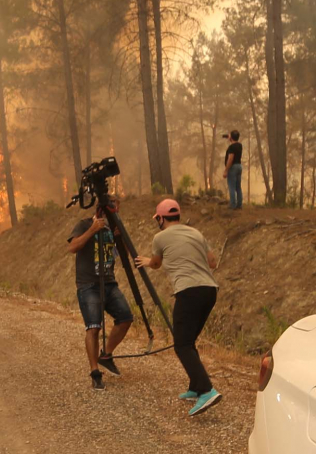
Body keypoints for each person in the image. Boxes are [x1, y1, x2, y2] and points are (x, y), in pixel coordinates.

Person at [136, 199, 221, 416]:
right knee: (189, 340)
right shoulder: (196, 233)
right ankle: (195, 387)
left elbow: (156, 263)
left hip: (188, 291)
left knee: (182, 345)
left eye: (158, 219)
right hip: (209, 290)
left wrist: (146, 261)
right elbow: (213, 263)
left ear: (161, 218)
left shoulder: (160, 237)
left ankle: (206, 390)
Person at [66, 194, 133, 390]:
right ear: (101, 210)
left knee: (126, 318)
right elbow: (73, 247)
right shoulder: (84, 223)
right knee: (94, 328)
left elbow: (124, 256)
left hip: (110, 283)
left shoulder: (113, 229)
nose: (115, 214)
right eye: (113, 210)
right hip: (88, 284)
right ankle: (95, 372)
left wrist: (120, 237)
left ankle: (106, 354)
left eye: (117, 211)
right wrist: (93, 230)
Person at [223, 130, 243, 209]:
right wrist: (230, 137)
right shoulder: (239, 145)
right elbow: (235, 142)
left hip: (233, 167)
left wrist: (226, 170)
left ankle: (232, 205)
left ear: (231, 137)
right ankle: (239, 204)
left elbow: (230, 158)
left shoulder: (231, 147)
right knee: (238, 187)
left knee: (231, 187)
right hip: (239, 166)